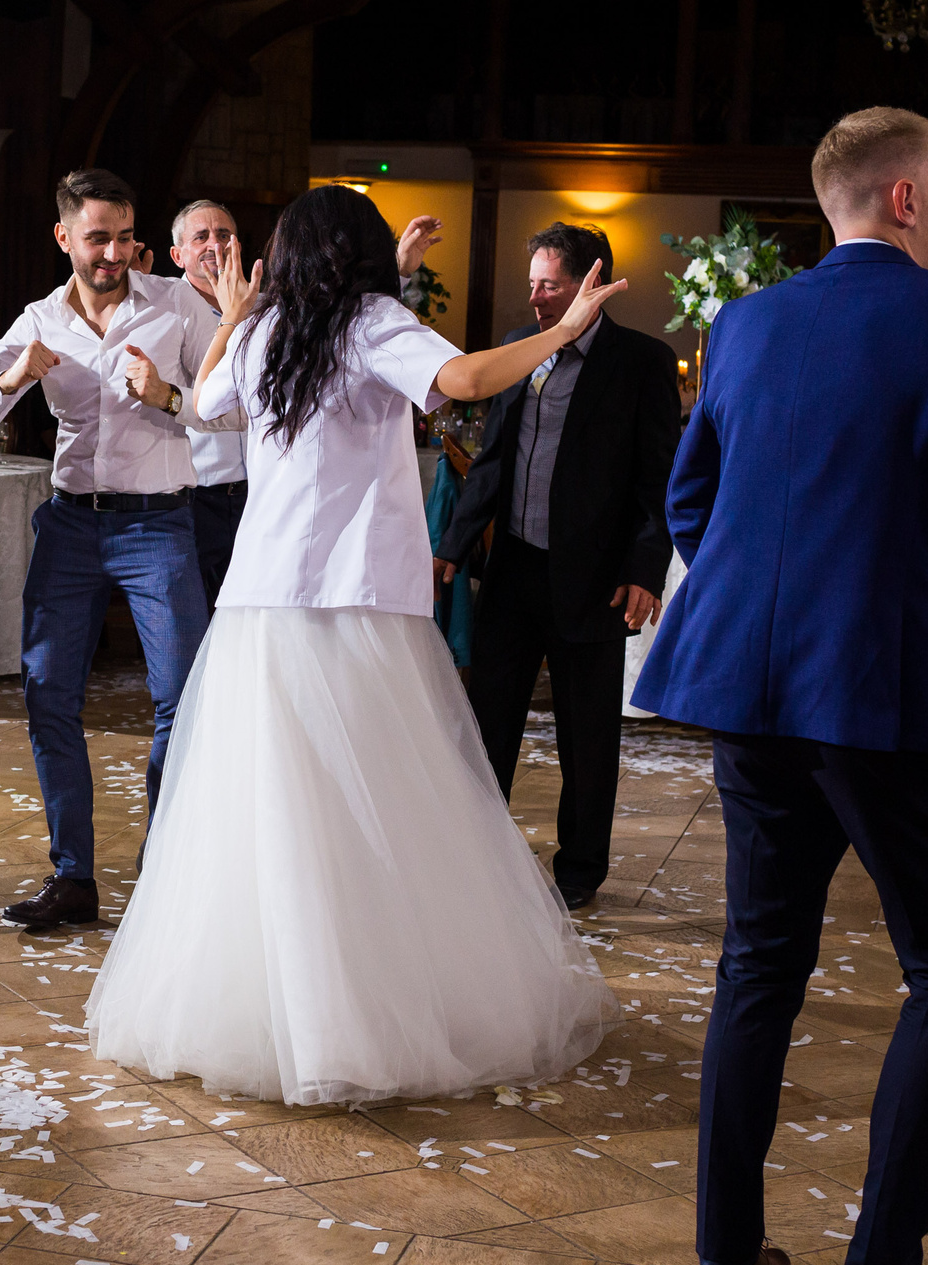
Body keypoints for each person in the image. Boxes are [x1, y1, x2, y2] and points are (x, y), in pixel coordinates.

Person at [633, 106, 928, 1265]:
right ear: (906, 198)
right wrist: (927, 594)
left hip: (751, 691)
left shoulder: (746, 322)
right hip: (888, 688)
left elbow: (692, 500)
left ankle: (723, 1261)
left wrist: (774, 597)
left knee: (758, 965)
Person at [84, 185, 624, 1105]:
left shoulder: (266, 330)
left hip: (263, 604)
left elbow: (204, 402)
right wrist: (566, 329)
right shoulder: (372, 322)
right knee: (373, 800)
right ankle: (354, 1016)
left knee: (272, 808)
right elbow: (465, 380)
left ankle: (276, 1012)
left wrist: (233, 316)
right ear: (364, 255)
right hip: (355, 599)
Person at [0, 169, 210, 931]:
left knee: (181, 699)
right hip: (69, 527)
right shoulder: (38, 321)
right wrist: (13, 378)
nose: (114, 253)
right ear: (64, 237)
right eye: (98, 238)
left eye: (124, 237)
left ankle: (164, 872)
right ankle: (73, 877)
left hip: (158, 525)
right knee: (48, 694)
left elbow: (235, 407)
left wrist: (168, 397)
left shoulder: (176, 305)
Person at [434, 221, 679, 910]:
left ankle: (579, 873)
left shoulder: (641, 362)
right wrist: (452, 543)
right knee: (488, 724)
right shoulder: (520, 348)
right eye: (533, 284)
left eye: (552, 285)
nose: (537, 298)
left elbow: (657, 479)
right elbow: (492, 461)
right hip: (513, 572)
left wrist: (644, 568)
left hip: (594, 579)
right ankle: (475, 858)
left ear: (591, 285)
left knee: (587, 738)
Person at [134, 199, 444, 609]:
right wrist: (174, 398)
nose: (215, 245)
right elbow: (209, 402)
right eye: (201, 237)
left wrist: (396, 271)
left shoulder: (270, 307)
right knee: (202, 617)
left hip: (265, 492)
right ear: (177, 255)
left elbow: (340, 321)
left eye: (224, 234)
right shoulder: (164, 307)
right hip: (200, 491)